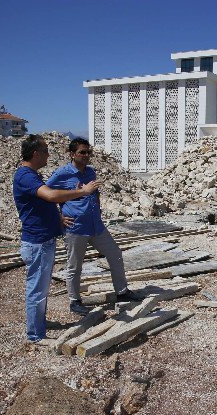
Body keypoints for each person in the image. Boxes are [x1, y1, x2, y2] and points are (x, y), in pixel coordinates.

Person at [13, 135, 100, 344]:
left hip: (43, 240)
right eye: (45, 151)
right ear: (35, 154)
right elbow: (51, 196)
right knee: (37, 288)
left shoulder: (31, 175)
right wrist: (82, 191)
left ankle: (38, 323)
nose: (48, 155)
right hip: (38, 242)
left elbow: (44, 202)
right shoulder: (25, 176)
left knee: (41, 288)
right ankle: (35, 335)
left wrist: (57, 217)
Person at [47, 137, 136, 316]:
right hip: (76, 227)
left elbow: (95, 193)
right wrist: (58, 218)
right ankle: (74, 300)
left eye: (88, 152)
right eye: (82, 152)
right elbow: (46, 195)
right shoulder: (62, 174)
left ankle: (122, 292)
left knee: (115, 254)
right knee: (74, 265)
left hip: (96, 226)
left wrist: (97, 207)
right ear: (72, 154)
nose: (87, 155)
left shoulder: (90, 172)